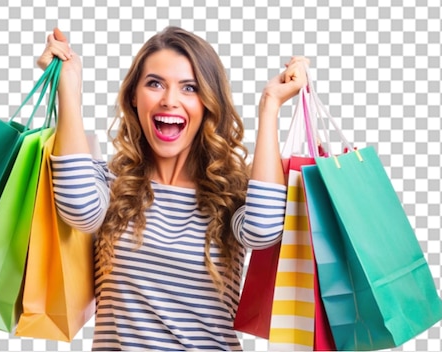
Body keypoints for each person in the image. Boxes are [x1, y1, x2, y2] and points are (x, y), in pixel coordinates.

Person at [36, 26, 309, 351]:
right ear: (134, 97)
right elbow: (79, 210)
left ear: (208, 103)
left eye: (189, 88)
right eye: (154, 84)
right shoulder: (110, 184)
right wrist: (69, 81)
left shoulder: (229, 195)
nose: (169, 101)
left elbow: (263, 231)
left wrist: (270, 105)